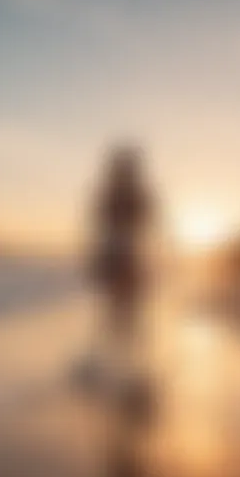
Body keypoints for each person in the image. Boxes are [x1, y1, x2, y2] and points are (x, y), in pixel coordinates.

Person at [89, 145, 154, 359]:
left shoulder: (126, 193)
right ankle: (121, 354)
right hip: (121, 254)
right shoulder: (117, 193)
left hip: (125, 254)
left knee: (124, 306)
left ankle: (126, 354)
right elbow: (101, 224)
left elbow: (147, 223)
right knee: (121, 306)